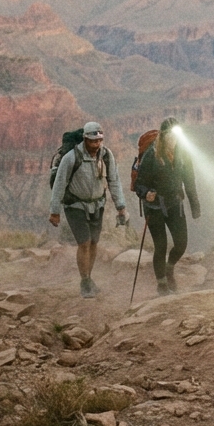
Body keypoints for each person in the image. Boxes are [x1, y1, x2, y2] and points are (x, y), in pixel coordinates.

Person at [49, 121, 127, 298]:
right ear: (85, 139)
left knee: (93, 243)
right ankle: (84, 282)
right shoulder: (71, 157)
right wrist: (55, 211)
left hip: (97, 205)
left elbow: (114, 180)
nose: (96, 145)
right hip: (75, 205)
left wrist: (120, 206)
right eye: (92, 141)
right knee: (84, 242)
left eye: (99, 141)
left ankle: (89, 278)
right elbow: (60, 184)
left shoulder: (106, 155)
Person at [135, 117, 201, 295]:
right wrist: (146, 193)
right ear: (163, 136)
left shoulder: (183, 154)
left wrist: (195, 205)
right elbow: (139, 184)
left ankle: (169, 266)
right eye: (170, 136)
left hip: (174, 203)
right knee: (161, 246)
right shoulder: (151, 155)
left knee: (181, 243)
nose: (174, 139)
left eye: (176, 135)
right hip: (154, 207)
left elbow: (189, 180)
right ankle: (162, 284)